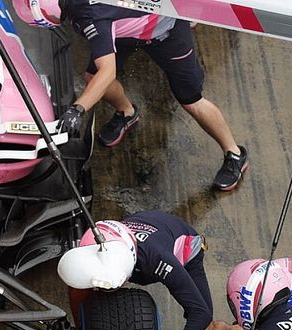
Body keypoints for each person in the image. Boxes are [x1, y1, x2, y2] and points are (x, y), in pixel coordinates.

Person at [15, 0, 249, 191]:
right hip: (124, 29)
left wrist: (78, 109)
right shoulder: (89, 13)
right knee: (91, 77)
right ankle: (127, 112)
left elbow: (108, 72)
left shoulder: (88, 15)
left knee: (191, 101)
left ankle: (235, 154)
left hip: (164, 31)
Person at [67, 212, 244, 330]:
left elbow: (200, 314)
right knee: (80, 284)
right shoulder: (98, 242)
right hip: (143, 225)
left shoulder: (157, 259)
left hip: (184, 244)